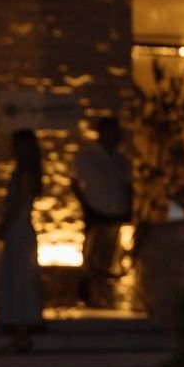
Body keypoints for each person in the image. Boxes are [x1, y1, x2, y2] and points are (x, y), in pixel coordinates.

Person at [70, 117, 132, 308]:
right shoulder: (86, 156)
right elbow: (74, 182)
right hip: (95, 211)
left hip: (116, 212)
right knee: (92, 257)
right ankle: (88, 295)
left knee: (109, 256)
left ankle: (105, 295)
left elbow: (127, 186)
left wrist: (128, 208)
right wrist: (86, 205)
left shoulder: (121, 160)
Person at [0, 129, 45, 352]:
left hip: (19, 232)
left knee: (20, 281)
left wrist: (4, 226)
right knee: (16, 280)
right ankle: (19, 333)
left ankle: (23, 332)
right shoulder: (21, 173)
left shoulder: (26, 175)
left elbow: (17, 205)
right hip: (17, 232)